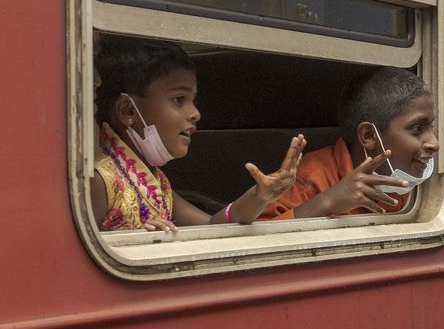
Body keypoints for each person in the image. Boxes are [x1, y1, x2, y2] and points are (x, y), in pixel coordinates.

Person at [92, 35, 305, 232]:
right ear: (128, 111)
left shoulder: (156, 181)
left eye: (193, 101)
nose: (196, 114)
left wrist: (260, 197)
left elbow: (212, 226)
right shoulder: (100, 180)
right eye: (179, 100)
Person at [260, 66, 439, 220]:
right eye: (417, 128)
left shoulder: (407, 178)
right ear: (369, 136)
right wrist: (327, 202)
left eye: (431, 127)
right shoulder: (310, 177)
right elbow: (252, 243)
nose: (435, 143)